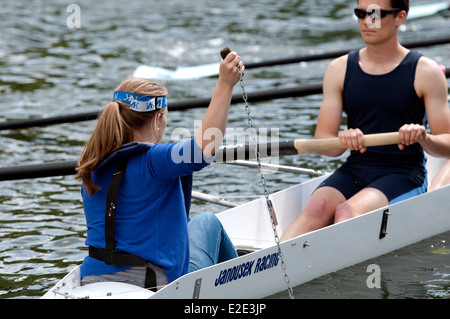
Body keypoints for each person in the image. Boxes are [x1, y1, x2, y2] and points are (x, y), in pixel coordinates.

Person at [281, 0, 450, 241]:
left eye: (376, 14)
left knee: (346, 212)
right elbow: (323, 143)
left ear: (400, 18)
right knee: (316, 209)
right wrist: (342, 141)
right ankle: (276, 267)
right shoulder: (338, 69)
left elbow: (448, 143)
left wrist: (424, 137)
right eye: (361, 13)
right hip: (356, 167)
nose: (366, 22)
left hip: (403, 173)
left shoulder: (426, 72)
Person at [75, 51, 244, 290]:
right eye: (165, 117)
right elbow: (204, 149)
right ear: (157, 120)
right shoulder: (155, 160)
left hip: (91, 280)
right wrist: (225, 84)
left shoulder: (91, 165)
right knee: (207, 222)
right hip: (153, 284)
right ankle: (248, 288)